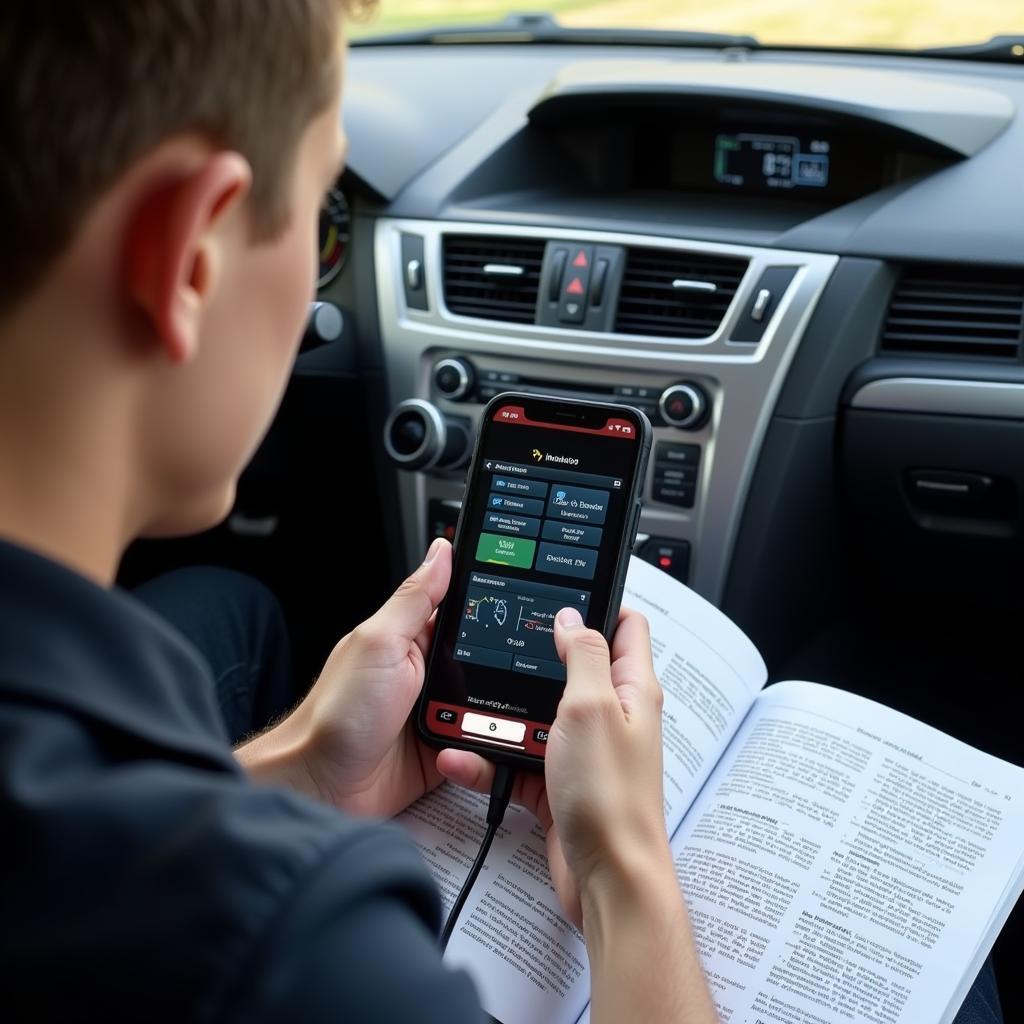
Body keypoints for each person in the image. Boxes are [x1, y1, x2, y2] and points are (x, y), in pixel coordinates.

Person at [0, 3, 715, 1022]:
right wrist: (624, 871)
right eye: (324, 209)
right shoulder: (295, 946)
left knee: (226, 599)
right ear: (190, 251)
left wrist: (297, 770)